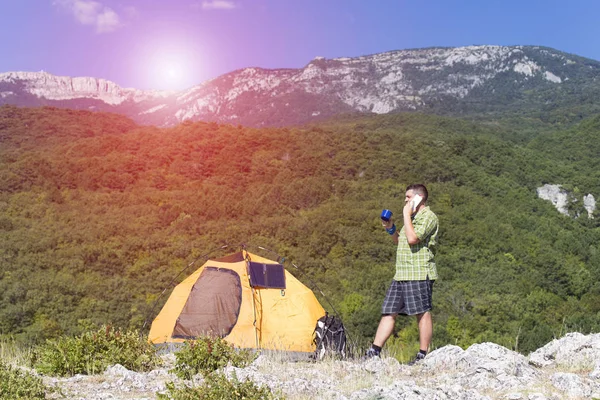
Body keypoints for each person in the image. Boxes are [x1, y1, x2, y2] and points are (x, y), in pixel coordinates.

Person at [365, 184, 439, 365]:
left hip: (419, 272)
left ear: (418, 198)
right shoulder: (411, 218)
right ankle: (373, 352)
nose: (405, 201)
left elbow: (414, 239)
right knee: (389, 311)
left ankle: (423, 355)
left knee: (422, 313)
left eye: (408, 197)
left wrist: (406, 214)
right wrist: (390, 228)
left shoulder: (428, 217)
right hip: (401, 273)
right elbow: (401, 241)